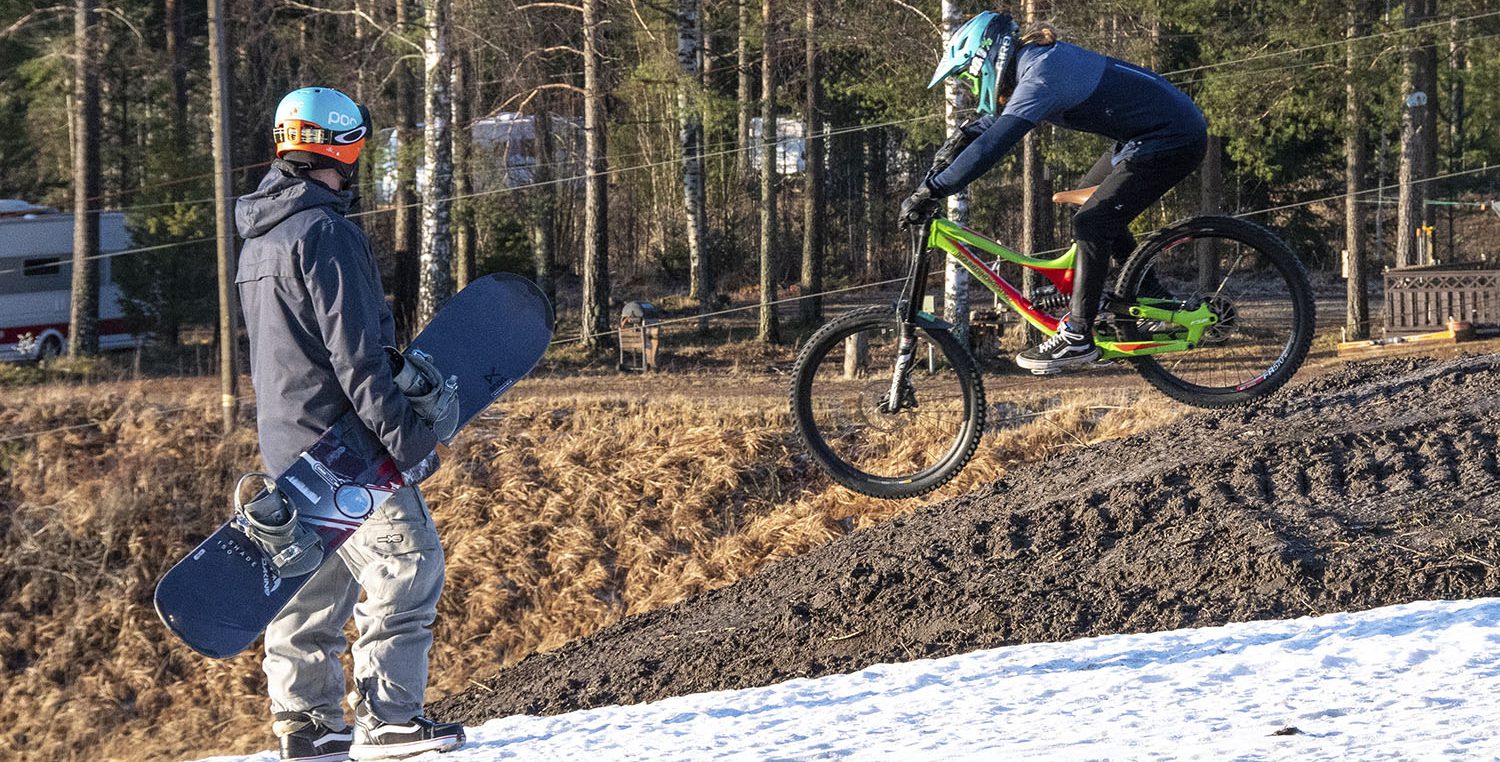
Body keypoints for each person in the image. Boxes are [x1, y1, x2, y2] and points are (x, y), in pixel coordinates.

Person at [233, 86, 466, 761]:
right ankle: (390, 718)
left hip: (286, 441)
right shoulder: (326, 233)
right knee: (407, 561)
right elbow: (359, 362)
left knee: (316, 582)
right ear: (344, 145)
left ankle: (306, 724)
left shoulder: (260, 235)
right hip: (344, 447)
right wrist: (409, 443)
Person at [902, 11, 1208, 373]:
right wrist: (961, 137)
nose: (972, 86)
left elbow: (996, 144)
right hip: (1148, 135)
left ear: (986, 59)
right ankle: (1153, 298)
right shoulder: (1034, 66)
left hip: (1171, 139)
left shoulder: (1041, 75)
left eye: (969, 76)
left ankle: (1078, 335)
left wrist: (935, 188)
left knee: (1093, 222)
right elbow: (994, 121)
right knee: (1087, 200)